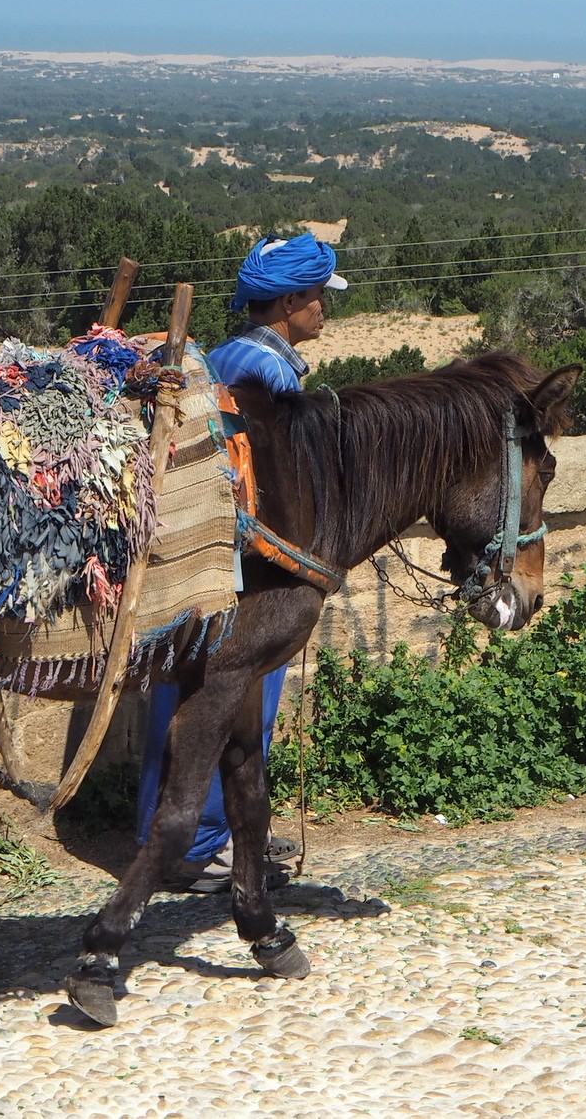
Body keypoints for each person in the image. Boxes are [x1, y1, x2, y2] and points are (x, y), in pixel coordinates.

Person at [136, 232, 347, 893]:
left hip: (195, 557)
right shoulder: (271, 374)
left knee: (187, 699)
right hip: (239, 571)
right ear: (287, 301)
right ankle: (199, 847)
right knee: (232, 710)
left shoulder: (229, 353)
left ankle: (212, 834)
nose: (323, 310)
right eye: (316, 298)